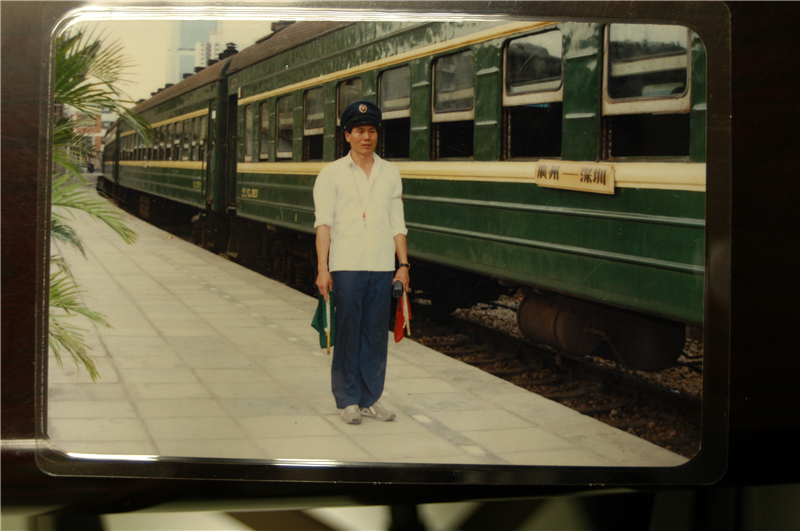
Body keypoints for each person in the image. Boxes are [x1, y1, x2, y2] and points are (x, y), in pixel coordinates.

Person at [313, 100, 410, 425]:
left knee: (375, 335)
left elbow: (398, 223)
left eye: (371, 131)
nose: (366, 137)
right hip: (347, 267)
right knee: (348, 333)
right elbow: (323, 225)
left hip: (382, 267)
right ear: (347, 135)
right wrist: (323, 269)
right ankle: (348, 400)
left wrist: (403, 265)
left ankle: (370, 399)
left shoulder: (390, 172)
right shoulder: (331, 174)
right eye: (359, 131)